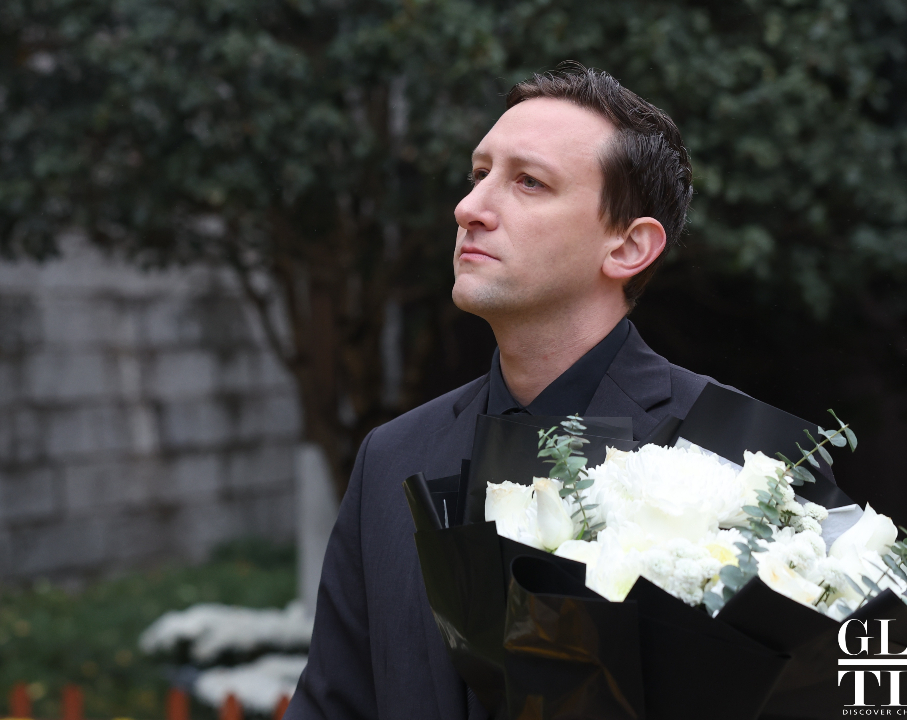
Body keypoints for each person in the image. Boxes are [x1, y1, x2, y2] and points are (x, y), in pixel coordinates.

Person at [286, 63, 717, 720]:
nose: (469, 208)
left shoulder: (731, 457)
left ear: (629, 247)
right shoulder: (391, 459)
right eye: (478, 173)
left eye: (528, 182)